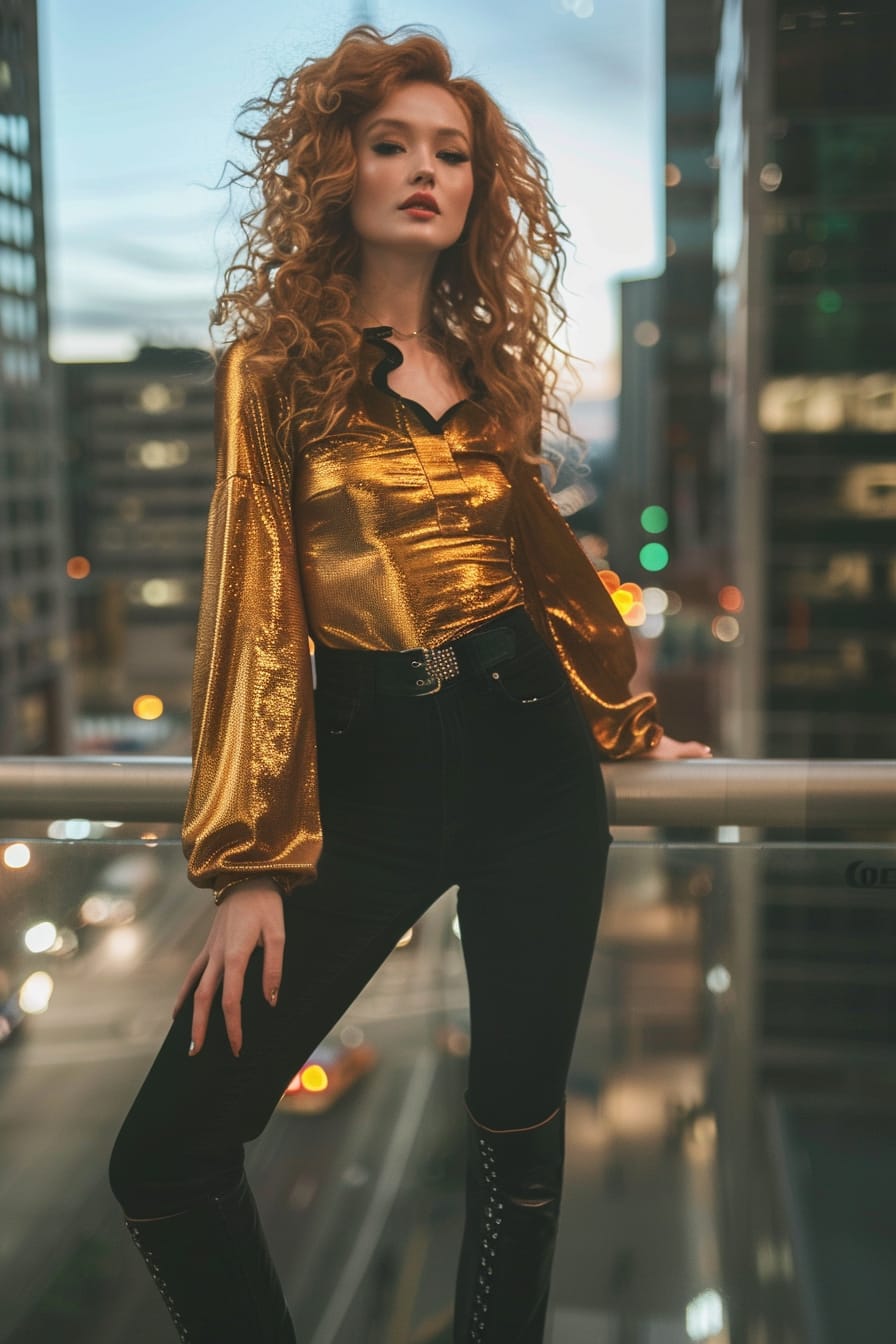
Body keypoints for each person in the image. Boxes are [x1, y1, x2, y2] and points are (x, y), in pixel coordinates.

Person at [108, 25, 710, 1343]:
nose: (426, 171)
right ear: (341, 169)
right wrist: (251, 860)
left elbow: (551, 570)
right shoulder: (273, 369)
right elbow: (253, 609)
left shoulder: (489, 375)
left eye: (454, 152)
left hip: (534, 769)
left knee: (517, 1129)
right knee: (163, 1158)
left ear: (477, 191)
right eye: (394, 145)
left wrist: (626, 722)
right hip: (364, 775)